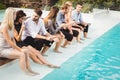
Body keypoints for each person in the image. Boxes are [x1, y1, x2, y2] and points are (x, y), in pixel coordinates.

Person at [0, 7, 37, 75]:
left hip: (9, 48)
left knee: (26, 51)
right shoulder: (4, 26)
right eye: (14, 14)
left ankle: (29, 69)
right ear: (11, 15)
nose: (15, 16)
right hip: (3, 50)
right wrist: (19, 49)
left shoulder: (11, 25)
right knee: (21, 54)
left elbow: (12, 39)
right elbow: (9, 41)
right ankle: (25, 72)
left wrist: (16, 48)